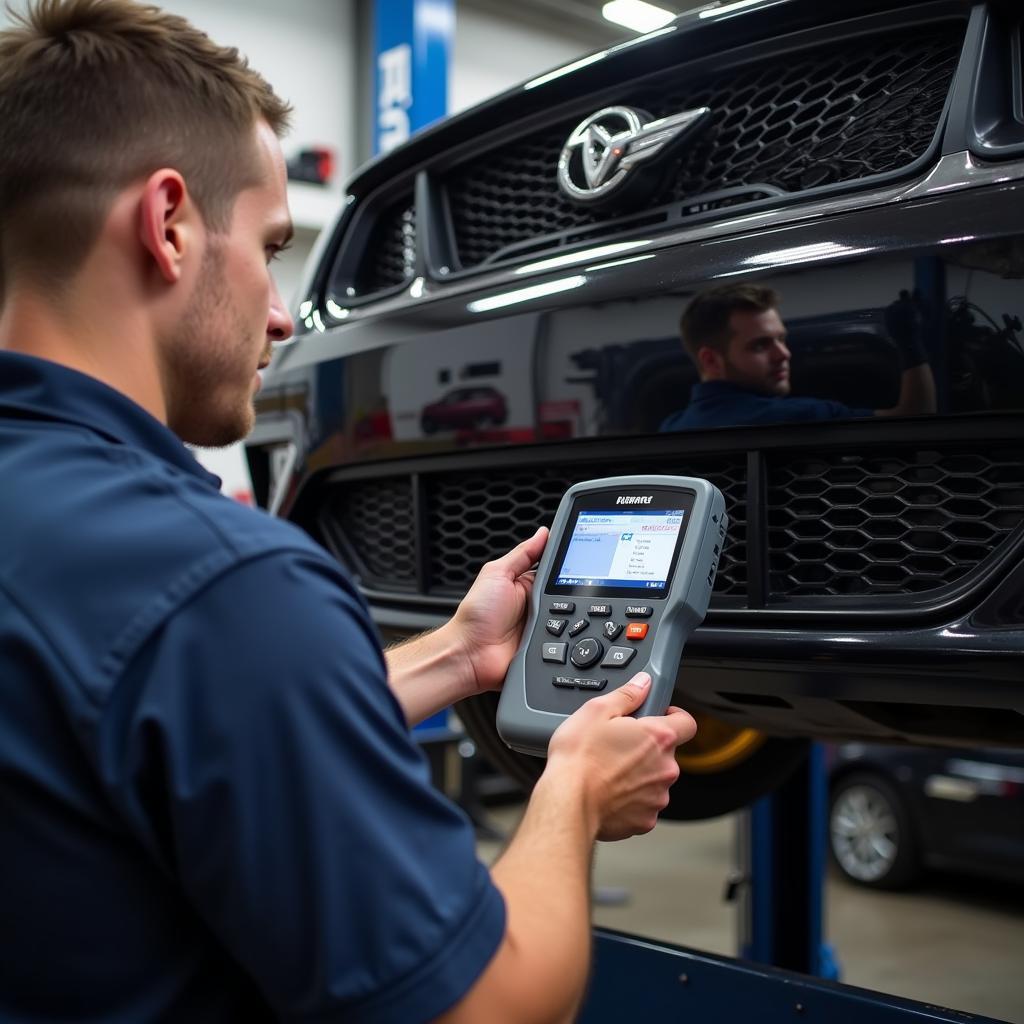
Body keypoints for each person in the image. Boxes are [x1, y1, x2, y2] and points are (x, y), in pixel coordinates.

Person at [0, 3, 697, 1022]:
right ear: (170, 224)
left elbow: (177, 717)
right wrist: (575, 794)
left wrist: (456, 654)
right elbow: (489, 1008)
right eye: (273, 247)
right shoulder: (225, 583)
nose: (281, 313)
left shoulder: (136, 571)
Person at [660, 282, 937, 431]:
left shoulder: (671, 428)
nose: (784, 354)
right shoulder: (798, 416)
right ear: (710, 360)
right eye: (760, 345)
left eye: (781, 339)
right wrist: (909, 341)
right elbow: (915, 418)